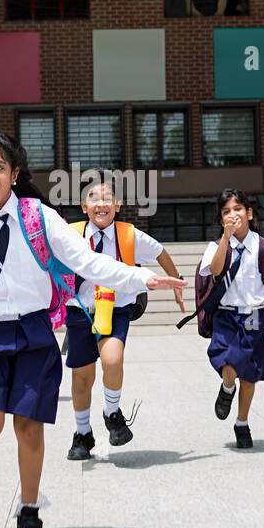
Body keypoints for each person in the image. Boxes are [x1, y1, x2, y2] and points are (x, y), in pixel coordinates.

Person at [0, 130, 185, 528]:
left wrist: (142, 277)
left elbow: (88, 261)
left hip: (34, 333)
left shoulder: (39, 216)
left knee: (30, 428)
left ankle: (29, 512)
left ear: (15, 172)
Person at [63, 176, 185, 460]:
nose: (101, 203)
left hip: (116, 308)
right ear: (83, 206)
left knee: (113, 359)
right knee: (82, 378)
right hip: (80, 311)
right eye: (93, 197)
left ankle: (112, 413)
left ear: (117, 206)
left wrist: (176, 282)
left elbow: (160, 252)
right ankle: (82, 434)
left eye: (107, 198)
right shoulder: (71, 234)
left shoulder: (129, 235)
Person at [197, 188, 264, 450]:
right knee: (229, 362)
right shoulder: (216, 247)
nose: (233, 214)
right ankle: (227, 388)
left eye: (238, 209)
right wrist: (226, 239)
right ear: (220, 220)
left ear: (249, 213)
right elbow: (215, 270)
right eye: (226, 211)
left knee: (249, 377)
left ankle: (242, 423)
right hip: (227, 317)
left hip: (256, 317)